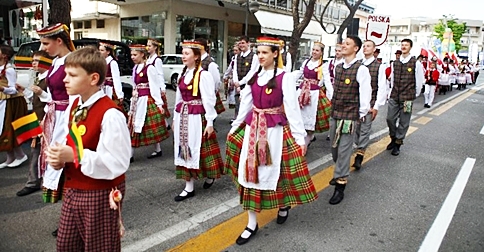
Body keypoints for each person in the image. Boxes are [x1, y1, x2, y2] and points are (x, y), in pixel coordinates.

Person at [225, 36, 318, 245]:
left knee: (278, 172)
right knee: (250, 174)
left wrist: (299, 137)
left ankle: (283, 204)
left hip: (274, 132)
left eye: (264, 53)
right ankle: (251, 223)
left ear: (275, 54)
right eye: (258, 53)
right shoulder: (254, 77)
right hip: (253, 132)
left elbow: (292, 109)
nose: (260, 56)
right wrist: (235, 127)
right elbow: (246, 105)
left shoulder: (284, 77)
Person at [45, 47, 130, 251]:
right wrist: (60, 159)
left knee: (99, 247)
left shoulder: (110, 114)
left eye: (72, 75)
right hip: (74, 189)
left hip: (99, 193)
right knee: (66, 245)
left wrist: (75, 155)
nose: (65, 79)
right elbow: (73, 143)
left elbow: (117, 163)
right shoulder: (76, 105)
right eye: (66, 74)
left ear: (93, 78)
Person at [36, 23, 77, 237]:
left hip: (67, 122)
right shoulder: (56, 62)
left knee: (66, 168)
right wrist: (46, 112)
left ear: (58, 41)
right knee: (60, 168)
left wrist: (68, 125)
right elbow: (54, 96)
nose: (43, 48)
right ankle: (69, 217)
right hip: (55, 118)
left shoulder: (73, 62)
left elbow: (76, 97)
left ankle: (73, 219)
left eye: (45, 43)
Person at [172, 40, 224, 201]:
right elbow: (178, 99)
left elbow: (209, 100)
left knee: (199, 149)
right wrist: (175, 118)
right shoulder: (183, 74)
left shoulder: (204, 75)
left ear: (196, 56)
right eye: (183, 53)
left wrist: (209, 122)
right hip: (184, 116)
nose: (183, 56)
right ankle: (189, 186)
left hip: (196, 118)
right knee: (184, 148)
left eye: (186, 54)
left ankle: (208, 176)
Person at [327, 36, 371, 205]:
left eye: (347, 44)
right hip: (335, 113)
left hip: (350, 116)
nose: (343, 45)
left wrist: (361, 113)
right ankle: (340, 170)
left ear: (356, 48)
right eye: (343, 43)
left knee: (344, 151)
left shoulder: (361, 69)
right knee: (335, 150)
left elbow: (365, 92)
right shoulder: (338, 67)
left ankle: (340, 185)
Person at [15, 50, 52, 196]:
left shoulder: (50, 79)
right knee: (36, 149)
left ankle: (36, 181)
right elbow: (35, 98)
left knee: (41, 150)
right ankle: (35, 180)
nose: (34, 63)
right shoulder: (39, 77)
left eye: (37, 60)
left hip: (46, 118)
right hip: (38, 117)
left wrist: (40, 93)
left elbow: (54, 100)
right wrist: (25, 91)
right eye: (33, 60)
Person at [128, 44, 169, 162]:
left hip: (146, 100)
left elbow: (154, 87)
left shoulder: (150, 68)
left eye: (135, 55)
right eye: (131, 54)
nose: (132, 57)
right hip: (137, 101)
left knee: (146, 126)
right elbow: (134, 85)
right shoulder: (135, 68)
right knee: (136, 126)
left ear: (142, 54)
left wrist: (159, 103)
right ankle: (155, 150)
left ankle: (133, 155)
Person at [353, 40, 387, 170]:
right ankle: (358, 147)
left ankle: (359, 155)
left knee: (365, 129)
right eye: (364, 46)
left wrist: (376, 106)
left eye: (368, 46)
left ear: (374, 49)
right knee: (356, 129)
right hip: (355, 102)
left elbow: (381, 87)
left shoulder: (379, 66)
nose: (365, 48)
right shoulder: (358, 64)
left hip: (370, 103)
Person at [386, 39, 424, 156]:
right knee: (390, 118)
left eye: (406, 45)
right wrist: (390, 91)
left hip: (407, 97)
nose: (404, 47)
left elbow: (419, 81)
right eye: (402, 45)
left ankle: (398, 142)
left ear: (410, 47)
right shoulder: (395, 63)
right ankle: (393, 137)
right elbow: (392, 79)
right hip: (394, 95)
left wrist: (414, 94)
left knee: (404, 121)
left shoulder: (416, 63)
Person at [296, 42, 333, 146]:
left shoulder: (323, 66)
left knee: (310, 118)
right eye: (313, 50)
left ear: (321, 53)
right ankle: (299, 141)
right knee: (298, 116)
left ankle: (306, 143)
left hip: (313, 95)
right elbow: (299, 73)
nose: (314, 52)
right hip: (301, 91)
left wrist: (332, 95)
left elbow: (327, 81)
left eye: (317, 50)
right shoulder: (306, 62)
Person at [0, 44, 28, 168]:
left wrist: (2, 88)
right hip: (2, 101)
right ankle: (10, 158)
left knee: (7, 128)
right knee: (2, 128)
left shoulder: (9, 70)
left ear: (4, 55)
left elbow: (13, 89)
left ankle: (21, 155)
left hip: (9, 102)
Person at [146, 38, 170, 158]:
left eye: (150, 46)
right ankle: (165, 125)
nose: (148, 47)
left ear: (155, 47)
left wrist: (162, 88)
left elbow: (160, 74)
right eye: (147, 45)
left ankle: (164, 126)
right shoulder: (148, 59)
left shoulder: (157, 60)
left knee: (157, 112)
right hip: (151, 87)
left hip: (156, 87)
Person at [194, 38, 225, 115]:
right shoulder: (196, 61)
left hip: (207, 96)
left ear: (202, 47)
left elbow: (216, 81)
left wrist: (210, 94)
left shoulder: (210, 63)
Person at [233, 36, 260, 122]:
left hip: (248, 85)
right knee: (238, 106)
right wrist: (236, 82)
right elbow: (235, 70)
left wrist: (241, 83)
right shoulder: (237, 56)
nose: (241, 45)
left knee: (247, 107)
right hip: (238, 86)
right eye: (240, 43)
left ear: (248, 43)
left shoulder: (254, 56)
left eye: (243, 43)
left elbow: (252, 72)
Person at [223, 44, 240, 113]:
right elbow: (230, 68)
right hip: (234, 80)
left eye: (236, 50)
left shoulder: (241, 58)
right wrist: (225, 76)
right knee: (235, 99)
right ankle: (236, 116)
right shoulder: (233, 58)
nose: (234, 52)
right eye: (234, 50)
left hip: (240, 81)